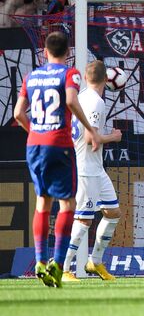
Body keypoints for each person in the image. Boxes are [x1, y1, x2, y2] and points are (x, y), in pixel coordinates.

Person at [13, 31, 100, 288]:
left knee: (42, 202)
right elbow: (71, 100)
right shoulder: (69, 73)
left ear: (45, 52)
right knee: (67, 204)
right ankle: (58, 264)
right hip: (59, 144)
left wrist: (35, 132)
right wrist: (90, 128)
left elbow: (18, 112)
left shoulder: (31, 76)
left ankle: (40, 261)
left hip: (34, 146)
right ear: (68, 52)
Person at [62, 60, 123, 282]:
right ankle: (64, 267)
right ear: (107, 79)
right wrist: (113, 137)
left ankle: (94, 261)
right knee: (84, 220)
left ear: (86, 78)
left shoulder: (83, 97)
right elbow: (90, 139)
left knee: (113, 213)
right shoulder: (96, 102)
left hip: (96, 168)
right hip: (86, 169)